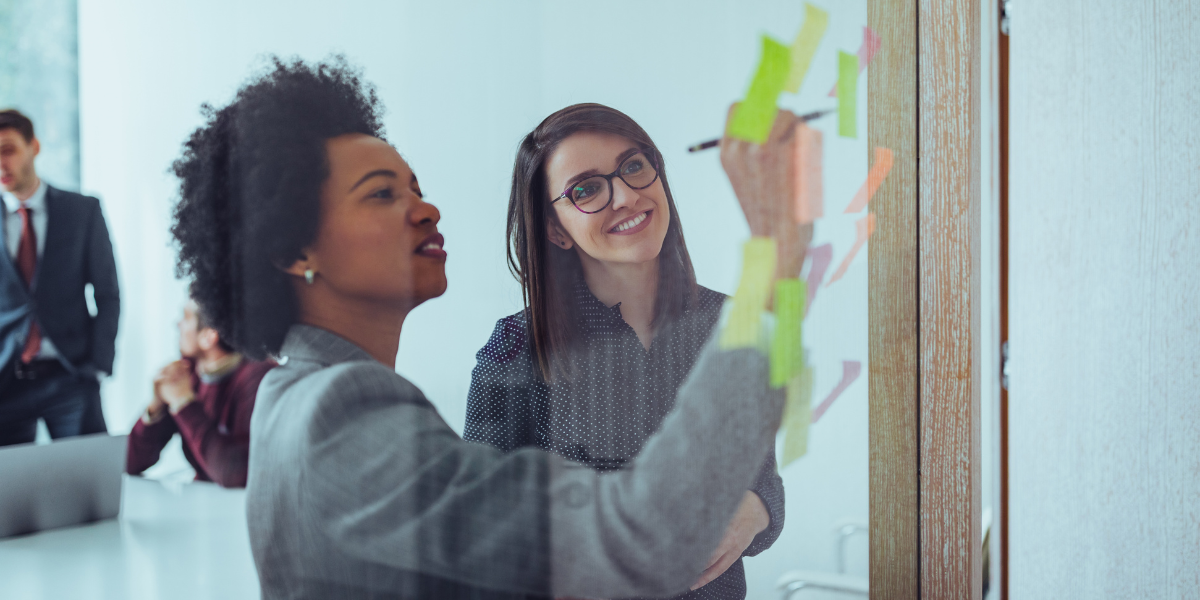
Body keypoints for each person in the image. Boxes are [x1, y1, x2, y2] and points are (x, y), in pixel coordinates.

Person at [169, 56, 804, 599]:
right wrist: (773, 265)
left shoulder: (302, 396)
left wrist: (757, 508)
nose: (428, 208)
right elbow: (634, 533)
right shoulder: (345, 408)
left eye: (635, 168)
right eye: (382, 194)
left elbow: (749, 473)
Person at [465, 103, 811, 599]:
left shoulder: (730, 322)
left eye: (633, 166)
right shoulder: (516, 347)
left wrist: (754, 510)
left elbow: (759, 471)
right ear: (555, 229)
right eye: (585, 189)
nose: (626, 196)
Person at [0, 108, 119, 446]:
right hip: (6, 379)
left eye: (8, 150)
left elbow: (107, 293)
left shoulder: (83, 211)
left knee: (88, 489)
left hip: (71, 374)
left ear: (33, 146)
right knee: (8, 494)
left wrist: (98, 363)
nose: (1, 164)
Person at [125, 299, 274, 488]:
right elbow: (130, 463)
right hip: (202, 502)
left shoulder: (258, 377)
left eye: (186, 317)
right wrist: (156, 408)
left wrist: (184, 404)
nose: (177, 324)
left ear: (209, 335)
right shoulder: (189, 372)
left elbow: (236, 474)